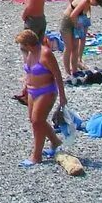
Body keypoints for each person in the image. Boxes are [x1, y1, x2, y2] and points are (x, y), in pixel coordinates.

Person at [16, 30, 66, 167]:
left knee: (38, 121)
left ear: (28, 44)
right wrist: (25, 88)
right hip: (32, 91)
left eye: (22, 45)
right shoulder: (30, 54)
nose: (21, 48)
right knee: (35, 121)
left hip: (47, 91)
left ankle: (36, 156)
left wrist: (62, 96)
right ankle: (55, 142)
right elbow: (29, 73)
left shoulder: (46, 54)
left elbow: (57, 75)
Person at [60, 0, 102, 78]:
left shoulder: (88, 3)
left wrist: (84, 29)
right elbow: (73, 15)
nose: (96, 5)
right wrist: (77, 25)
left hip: (75, 23)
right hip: (67, 22)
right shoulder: (84, 1)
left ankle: (75, 70)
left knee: (75, 47)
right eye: (96, 3)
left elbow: (85, 17)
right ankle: (67, 71)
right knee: (68, 47)